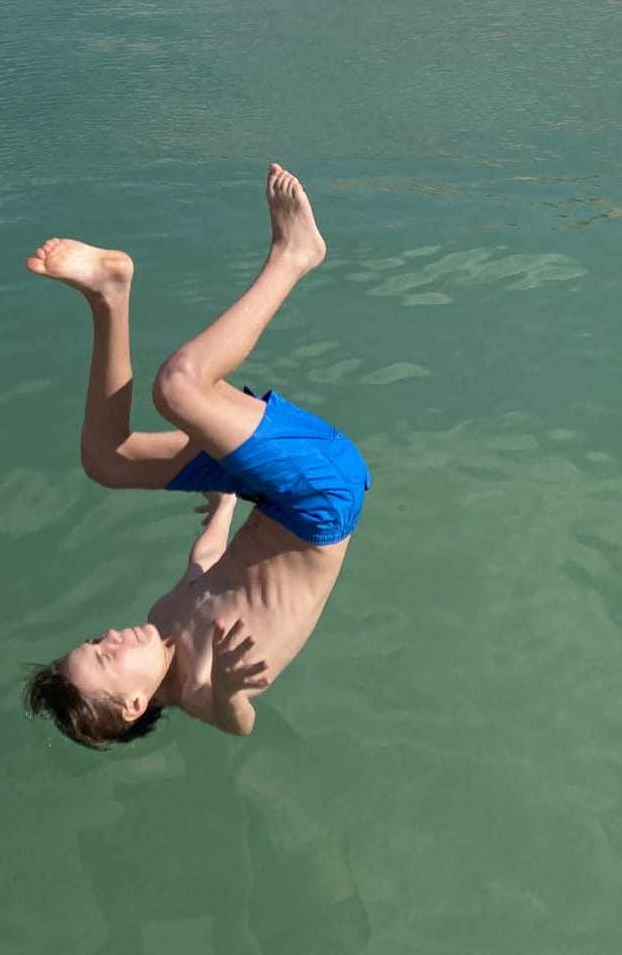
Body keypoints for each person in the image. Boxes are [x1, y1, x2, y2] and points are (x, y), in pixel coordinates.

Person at [23, 165, 369, 750]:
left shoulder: (163, 619)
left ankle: (109, 292)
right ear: (134, 706)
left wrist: (222, 506)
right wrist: (231, 690)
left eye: (95, 640)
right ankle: (294, 254)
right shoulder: (199, 687)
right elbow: (239, 723)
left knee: (107, 460)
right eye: (106, 657)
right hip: (322, 499)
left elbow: (207, 565)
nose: (110, 636)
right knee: (178, 386)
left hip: (267, 497)